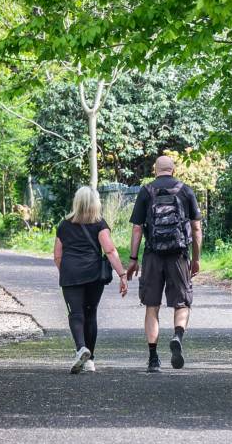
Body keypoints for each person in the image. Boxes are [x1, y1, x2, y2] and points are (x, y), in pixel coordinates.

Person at [125, 155, 203, 372]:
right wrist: (196, 259)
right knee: (182, 302)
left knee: (152, 306)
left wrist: (133, 259)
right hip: (178, 255)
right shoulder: (185, 190)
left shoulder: (146, 191)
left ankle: (153, 358)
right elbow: (196, 229)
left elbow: (137, 229)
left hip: (152, 255)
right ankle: (177, 336)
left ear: (155, 169)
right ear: (173, 169)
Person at [53, 185, 129, 373]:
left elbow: (57, 255)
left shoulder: (64, 225)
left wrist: (67, 271)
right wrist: (122, 274)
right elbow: (110, 250)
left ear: (76, 202)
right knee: (91, 313)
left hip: (70, 273)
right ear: (96, 203)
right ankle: (90, 360)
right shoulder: (100, 224)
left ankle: (81, 348)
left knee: (76, 314)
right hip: (94, 274)